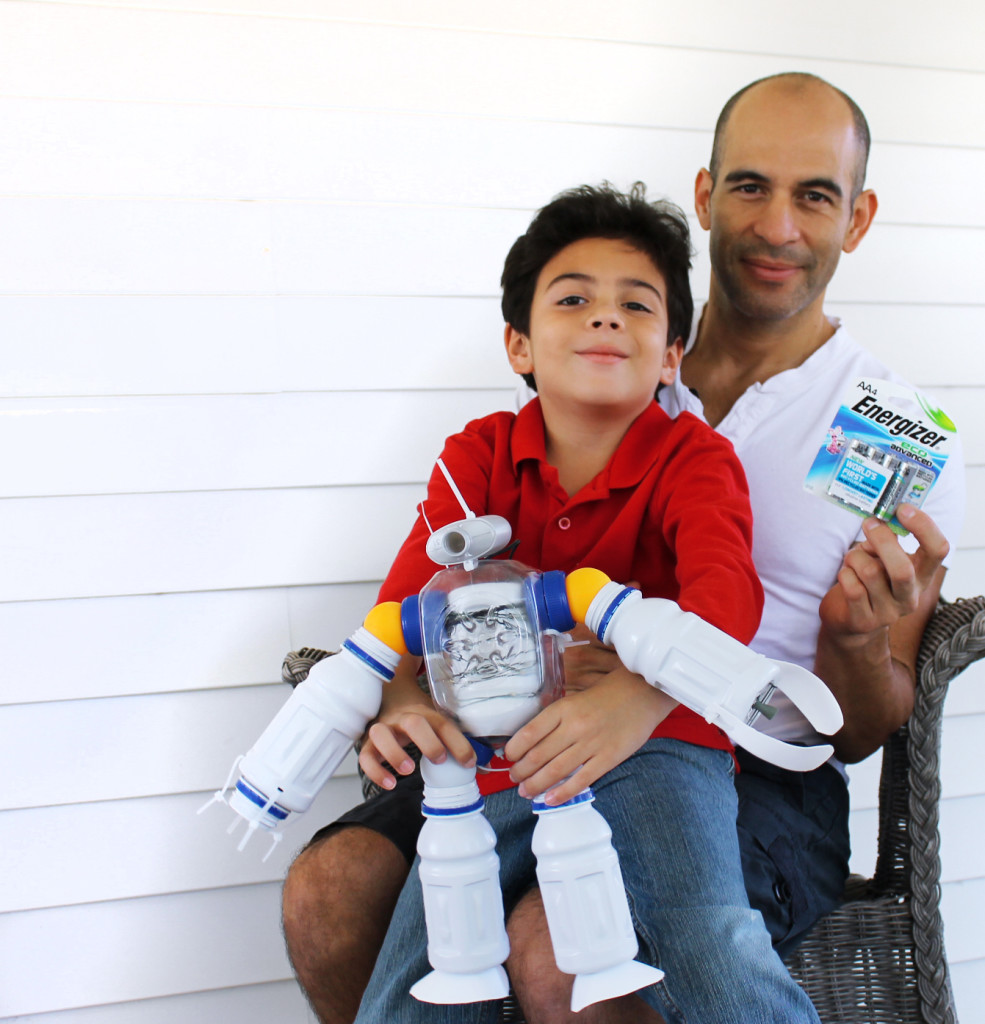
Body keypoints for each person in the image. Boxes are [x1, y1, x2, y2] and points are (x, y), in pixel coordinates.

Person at [281, 73, 966, 1024]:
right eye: (749, 186)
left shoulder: (886, 432)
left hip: (743, 760)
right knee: (334, 885)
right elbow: (426, 593)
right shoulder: (587, 388)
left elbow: (860, 731)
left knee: (553, 943)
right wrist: (396, 689)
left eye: (815, 195)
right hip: (525, 733)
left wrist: (853, 642)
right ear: (704, 194)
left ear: (857, 219)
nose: (776, 225)